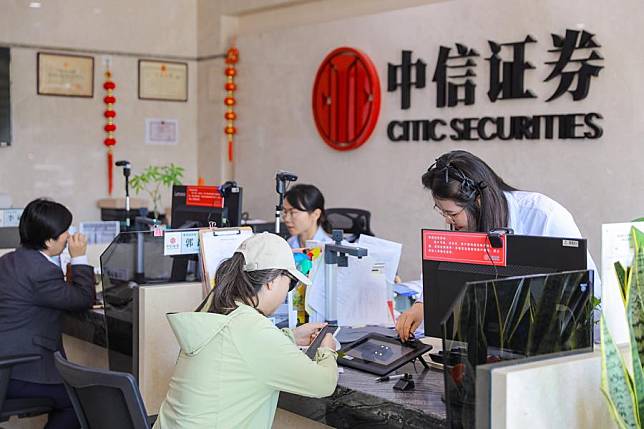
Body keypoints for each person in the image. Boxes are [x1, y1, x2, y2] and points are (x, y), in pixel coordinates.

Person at [395, 150, 601, 341]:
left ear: (478, 201)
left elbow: (590, 295)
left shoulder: (544, 216)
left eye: (452, 214)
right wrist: (422, 305)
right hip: (487, 339)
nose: (448, 221)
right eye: (442, 212)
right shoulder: (465, 225)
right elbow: (442, 273)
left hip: (549, 340)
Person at [154, 232, 338, 429]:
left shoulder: (216, 309)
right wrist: (327, 350)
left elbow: (237, 349)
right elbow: (323, 383)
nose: (287, 292)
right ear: (272, 281)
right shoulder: (253, 329)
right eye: (290, 282)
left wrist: (290, 337)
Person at [0, 198, 95, 429]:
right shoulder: (40, 271)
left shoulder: (9, 261)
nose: (69, 235)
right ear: (48, 240)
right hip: (19, 370)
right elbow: (82, 300)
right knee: (81, 400)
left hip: (7, 364)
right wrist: (79, 256)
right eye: (64, 231)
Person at [283, 184, 333, 248]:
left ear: (315, 214)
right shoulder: (288, 244)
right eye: (285, 212)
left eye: (293, 212)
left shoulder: (333, 249)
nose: (286, 219)